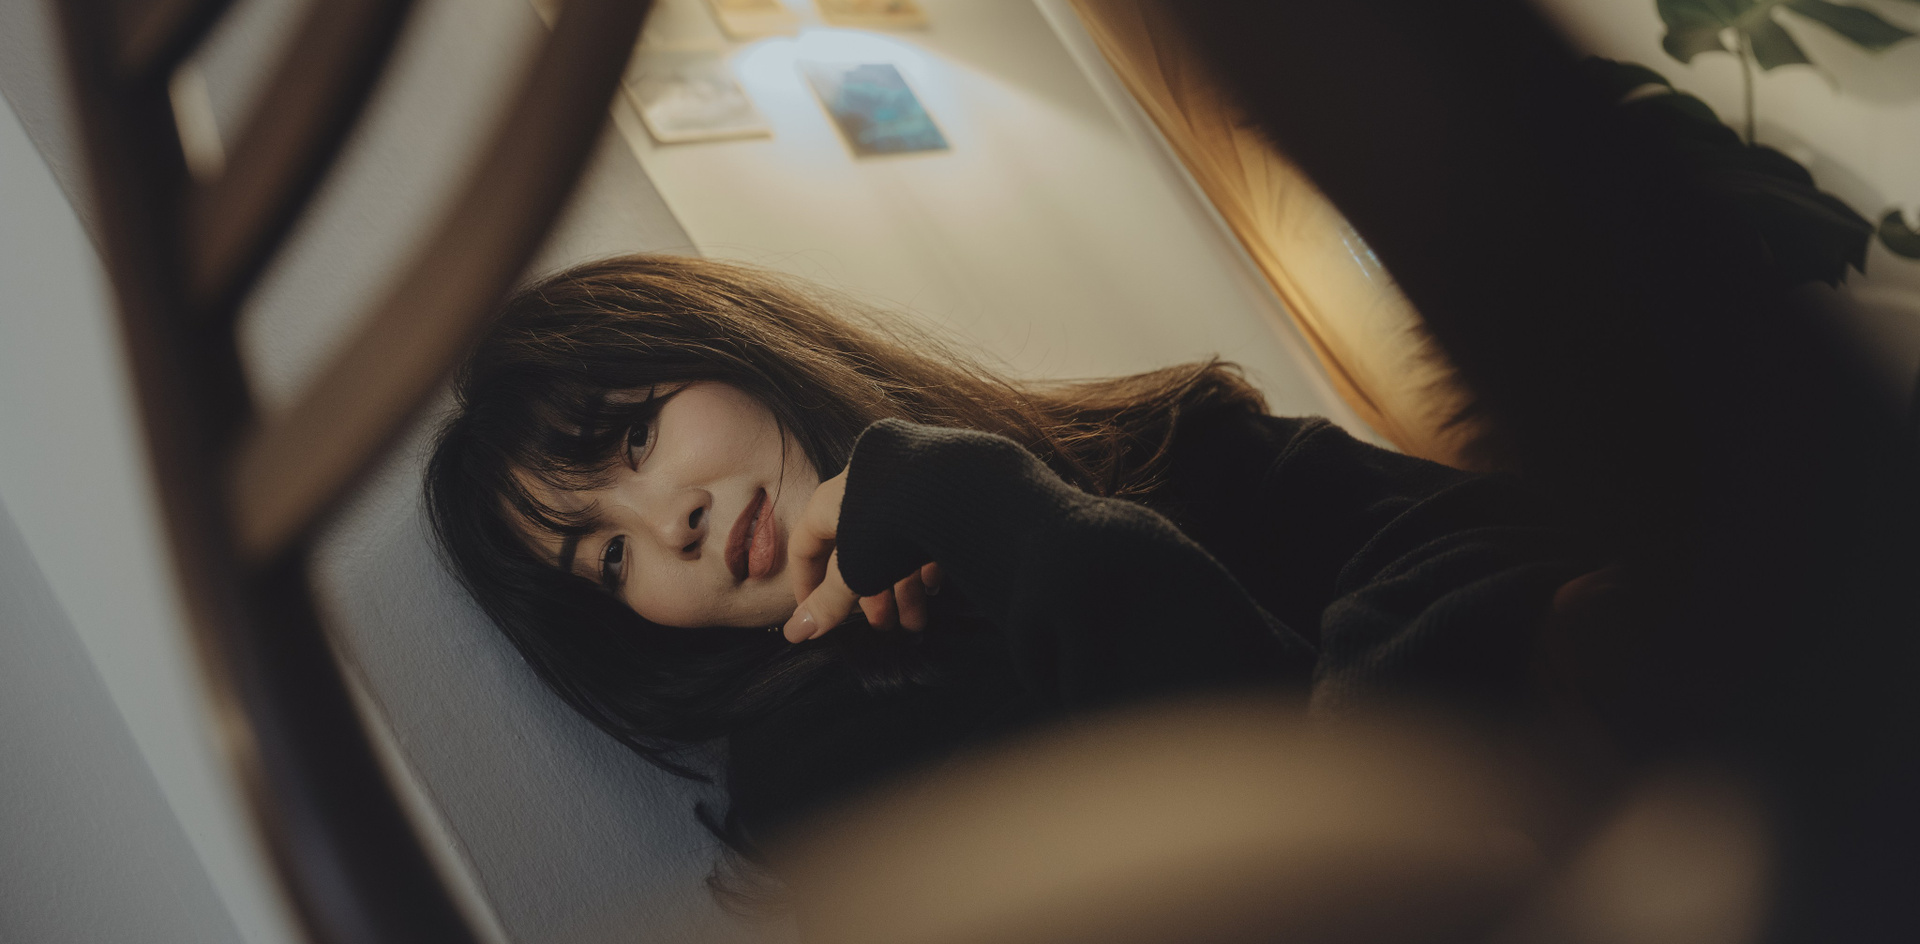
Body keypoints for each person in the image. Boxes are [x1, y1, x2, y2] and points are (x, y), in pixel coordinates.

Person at [425, 254, 1592, 869]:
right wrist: (990, 513)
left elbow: (1524, 541)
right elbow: (1294, 851)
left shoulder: (1172, 440)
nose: (668, 525)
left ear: (727, 347)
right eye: (607, 557)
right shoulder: (830, 789)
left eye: (637, 436)